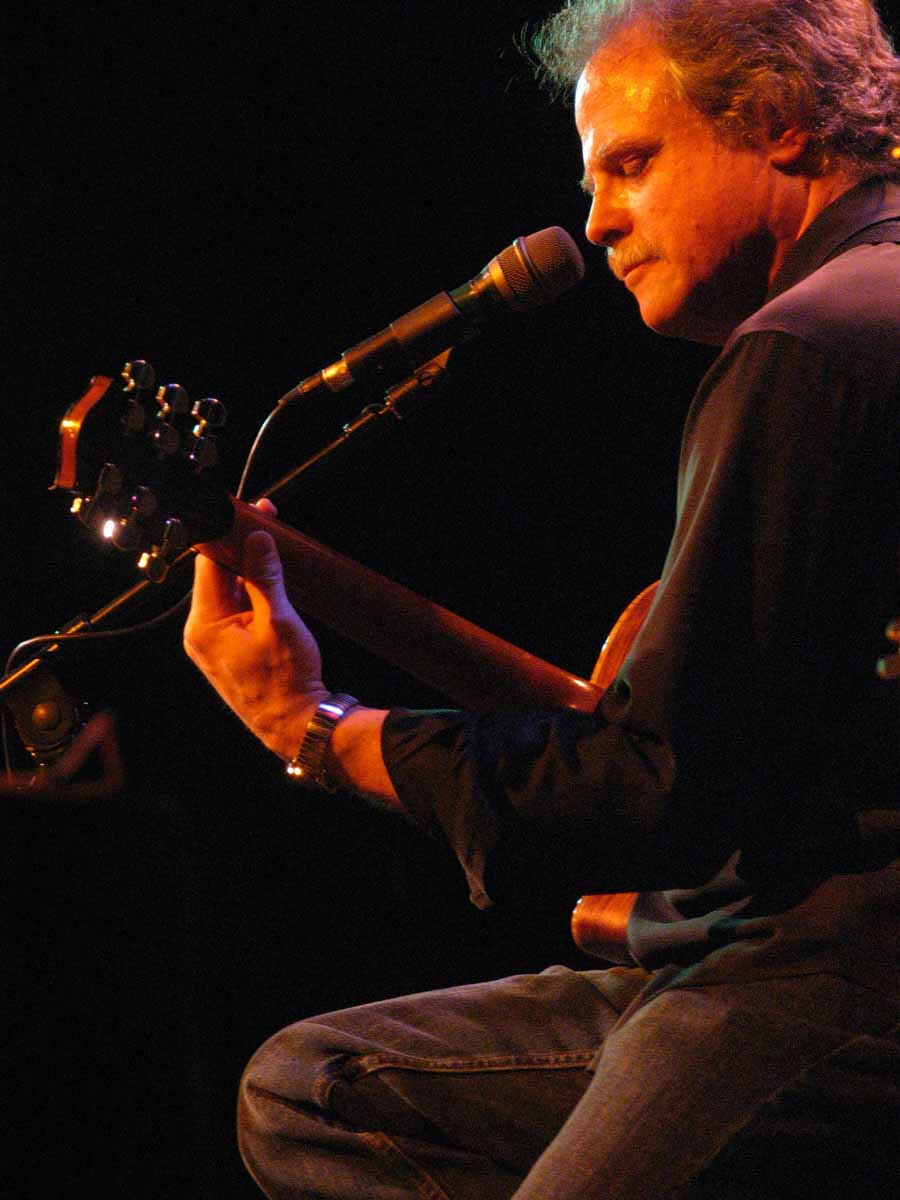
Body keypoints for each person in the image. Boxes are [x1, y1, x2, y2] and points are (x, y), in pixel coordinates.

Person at [184, 2, 900, 1196]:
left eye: (632, 164)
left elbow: (659, 790)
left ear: (780, 123)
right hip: (789, 948)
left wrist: (316, 730)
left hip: (836, 976)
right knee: (318, 1084)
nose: (598, 221)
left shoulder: (809, 347)